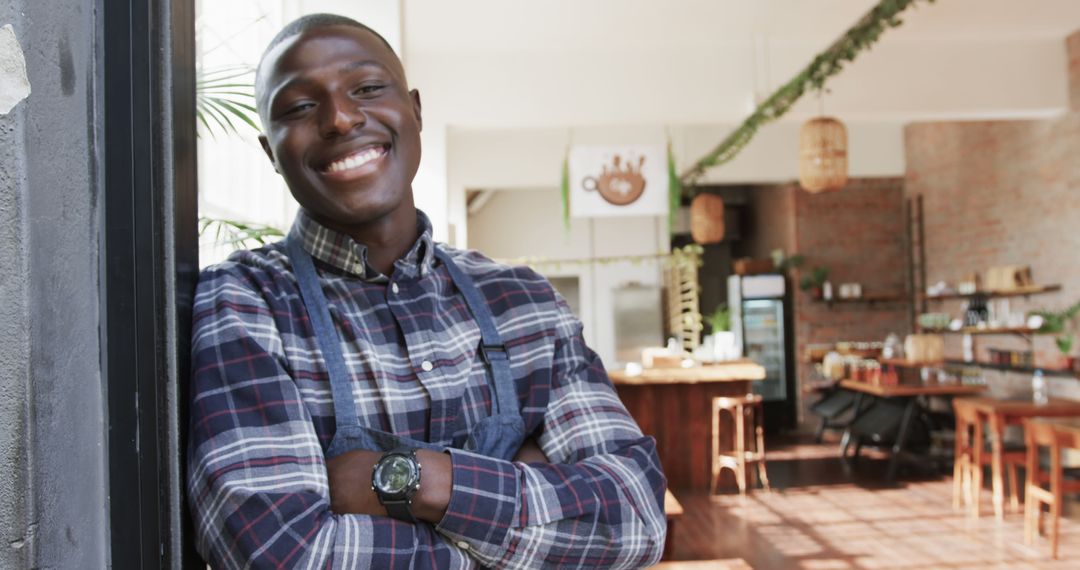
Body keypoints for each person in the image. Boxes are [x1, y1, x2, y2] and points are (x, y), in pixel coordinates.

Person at [187, 13, 667, 569]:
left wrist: (413, 482)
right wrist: (526, 502)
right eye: (299, 107)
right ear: (271, 151)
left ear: (414, 110)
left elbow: (635, 518)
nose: (341, 118)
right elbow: (282, 554)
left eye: (366, 88)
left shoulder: (524, 302)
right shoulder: (247, 303)